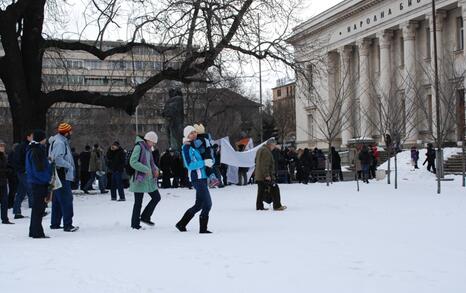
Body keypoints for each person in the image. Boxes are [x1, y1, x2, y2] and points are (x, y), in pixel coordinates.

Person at [176, 125, 214, 233]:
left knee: (199, 205)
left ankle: (181, 224)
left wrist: (210, 162)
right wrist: (204, 163)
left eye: (194, 132)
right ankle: (203, 229)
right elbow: (189, 165)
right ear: (187, 135)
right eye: (191, 133)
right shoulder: (186, 147)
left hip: (202, 177)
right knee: (208, 203)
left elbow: (205, 157)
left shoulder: (195, 146)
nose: (194, 134)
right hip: (196, 178)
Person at [49, 123, 78, 232]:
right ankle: (68, 225)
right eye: (70, 131)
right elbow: (58, 159)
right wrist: (69, 165)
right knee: (67, 200)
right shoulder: (60, 143)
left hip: (57, 175)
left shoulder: (57, 141)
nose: (72, 133)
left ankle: (55, 223)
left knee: (57, 200)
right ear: (66, 133)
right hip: (62, 175)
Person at [129, 132, 161, 230]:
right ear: (148, 140)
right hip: (139, 179)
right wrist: (145, 169)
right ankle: (135, 224)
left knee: (156, 197)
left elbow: (151, 162)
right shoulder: (139, 147)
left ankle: (145, 217)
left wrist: (156, 169)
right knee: (138, 202)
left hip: (149, 179)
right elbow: (133, 162)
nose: (154, 144)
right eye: (153, 142)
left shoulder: (148, 149)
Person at [26, 130, 53, 238]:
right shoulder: (37, 151)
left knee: (37, 208)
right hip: (39, 182)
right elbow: (39, 169)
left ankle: (33, 230)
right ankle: (37, 232)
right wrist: (48, 178)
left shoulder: (32, 149)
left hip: (35, 181)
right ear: (41, 139)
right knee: (39, 208)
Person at [254, 138, 286, 211]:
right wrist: (267, 175)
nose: (274, 147)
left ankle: (259, 206)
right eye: (274, 146)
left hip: (259, 175)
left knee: (261, 191)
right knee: (275, 189)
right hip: (264, 176)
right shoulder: (266, 151)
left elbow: (256, 161)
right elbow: (265, 164)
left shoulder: (260, 149)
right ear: (270, 145)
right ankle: (277, 206)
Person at [12, 130, 33, 219]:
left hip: (23, 171)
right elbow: (17, 160)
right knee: (31, 190)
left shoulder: (27, 146)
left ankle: (17, 212)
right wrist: (23, 169)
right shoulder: (23, 147)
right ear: (27, 137)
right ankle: (37, 210)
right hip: (23, 172)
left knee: (21, 192)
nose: (33, 138)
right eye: (32, 136)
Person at [0, 140, 14, 224]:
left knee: (4, 201)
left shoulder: (4, 156)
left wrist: (10, 170)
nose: (2, 147)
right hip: (2, 180)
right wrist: (6, 171)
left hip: (3, 182)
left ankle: (5, 218)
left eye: (3, 146)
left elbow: (7, 166)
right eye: (1, 146)